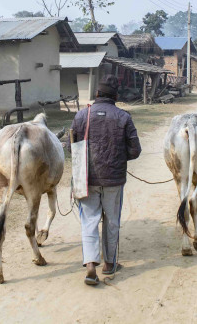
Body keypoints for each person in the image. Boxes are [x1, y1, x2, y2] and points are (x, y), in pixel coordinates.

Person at [70, 75, 141, 286]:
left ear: (97, 94)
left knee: (89, 220)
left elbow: (71, 146)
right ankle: (109, 264)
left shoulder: (82, 116)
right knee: (112, 221)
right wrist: (118, 157)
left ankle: (90, 264)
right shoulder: (124, 117)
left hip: (87, 178)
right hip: (114, 180)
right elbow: (135, 150)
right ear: (116, 96)